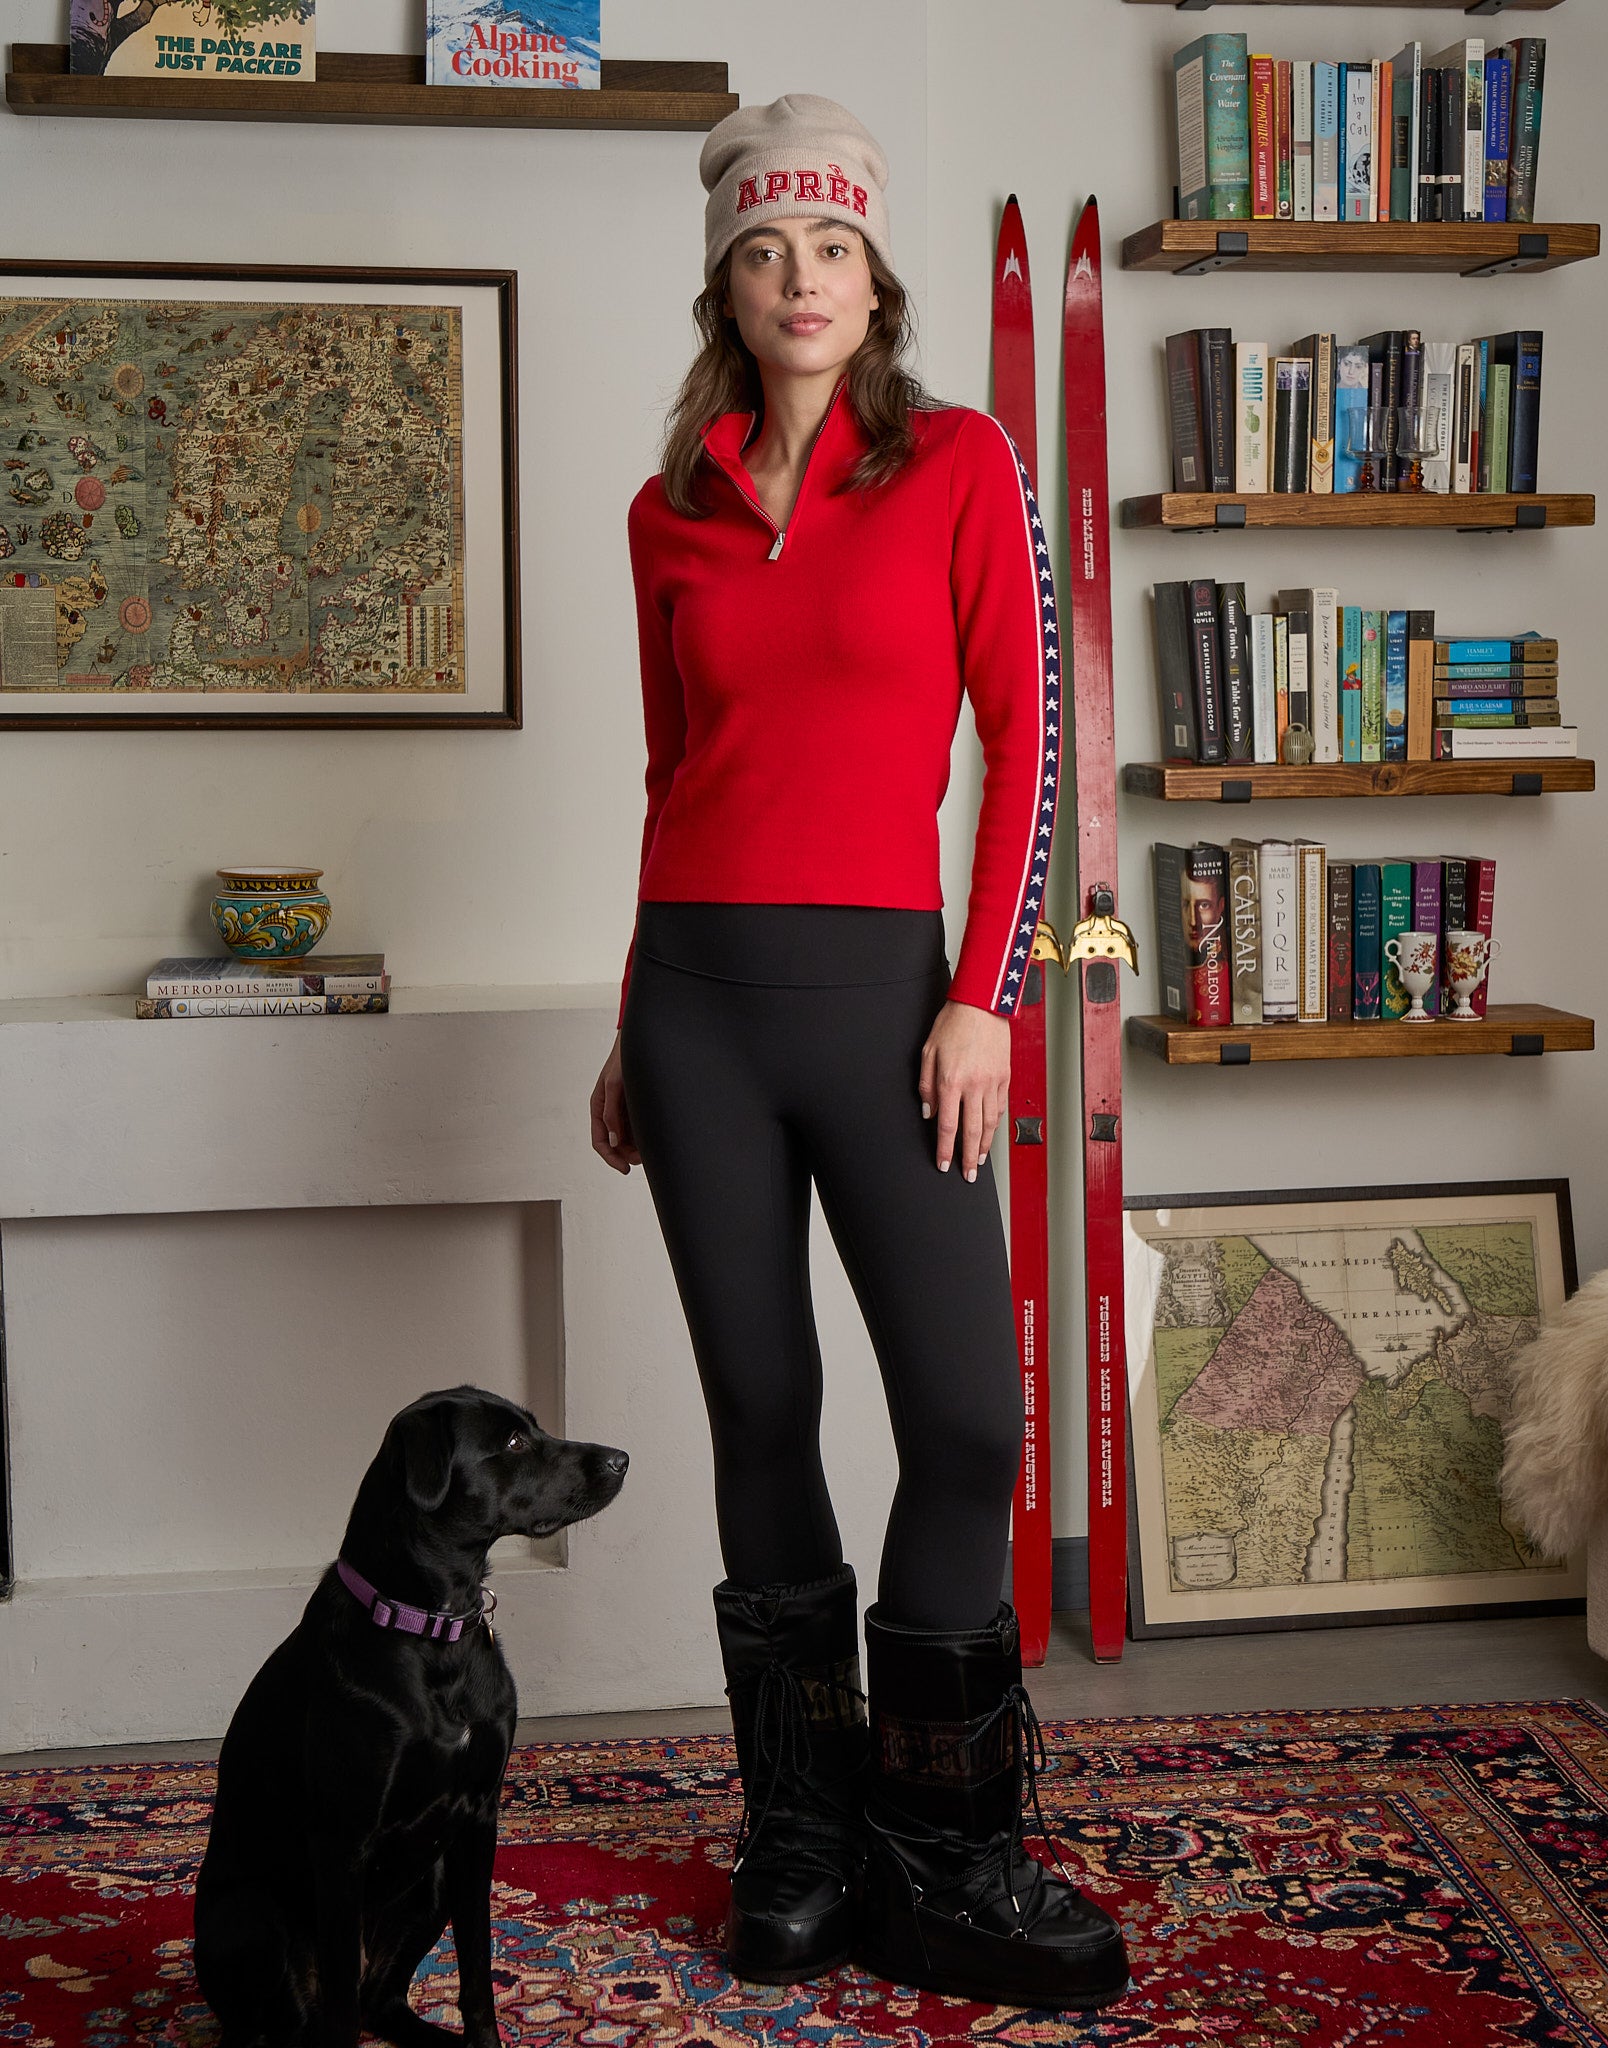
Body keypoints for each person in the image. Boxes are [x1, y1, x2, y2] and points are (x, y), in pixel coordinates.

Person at [588, 94, 1130, 2014]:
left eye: (828, 248)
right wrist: (630, 1007)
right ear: (727, 286)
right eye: (762, 251)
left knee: (967, 1418)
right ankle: (804, 1833)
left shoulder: (964, 463)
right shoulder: (668, 512)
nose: (798, 279)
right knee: (761, 1413)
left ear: (872, 276)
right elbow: (672, 779)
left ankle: (945, 1841)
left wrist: (985, 994)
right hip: (700, 1012)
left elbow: (1029, 743)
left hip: (900, 1007)